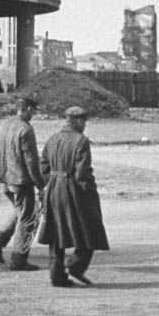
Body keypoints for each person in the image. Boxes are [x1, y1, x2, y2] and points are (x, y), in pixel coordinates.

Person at [38, 105, 109, 287]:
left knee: (55, 232)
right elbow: (82, 173)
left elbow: (43, 168)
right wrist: (90, 191)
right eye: (84, 122)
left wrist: (51, 183)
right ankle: (76, 266)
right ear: (78, 121)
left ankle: (56, 276)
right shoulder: (81, 141)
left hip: (53, 189)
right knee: (91, 227)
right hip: (73, 190)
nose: (84, 126)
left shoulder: (52, 139)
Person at [0, 95, 45, 271]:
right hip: (20, 180)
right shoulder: (26, 129)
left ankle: (0, 240)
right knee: (29, 217)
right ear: (27, 109)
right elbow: (31, 161)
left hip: (3, 177)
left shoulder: (1, 125)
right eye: (33, 112)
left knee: (21, 211)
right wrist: (40, 185)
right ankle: (19, 259)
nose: (33, 116)